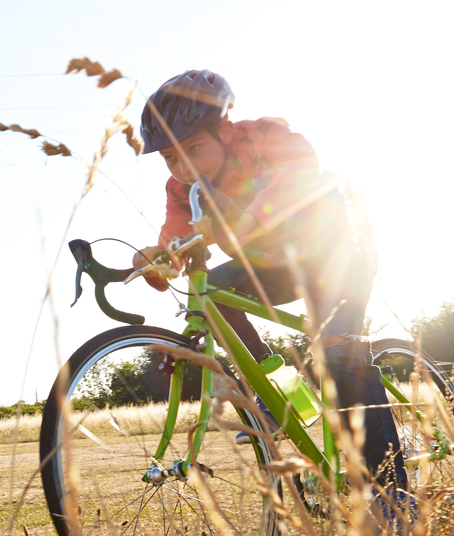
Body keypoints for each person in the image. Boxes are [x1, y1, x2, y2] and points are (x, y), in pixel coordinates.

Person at [133, 69, 408, 493]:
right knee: (208, 296)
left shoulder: (265, 138)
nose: (182, 168)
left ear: (224, 131)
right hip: (275, 267)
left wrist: (246, 216)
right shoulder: (181, 188)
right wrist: (156, 260)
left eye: (193, 149)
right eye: (170, 158)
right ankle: (273, 389)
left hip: (337, 250)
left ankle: (393, 499)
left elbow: (297, 176)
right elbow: (175, 239)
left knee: (336, 355)